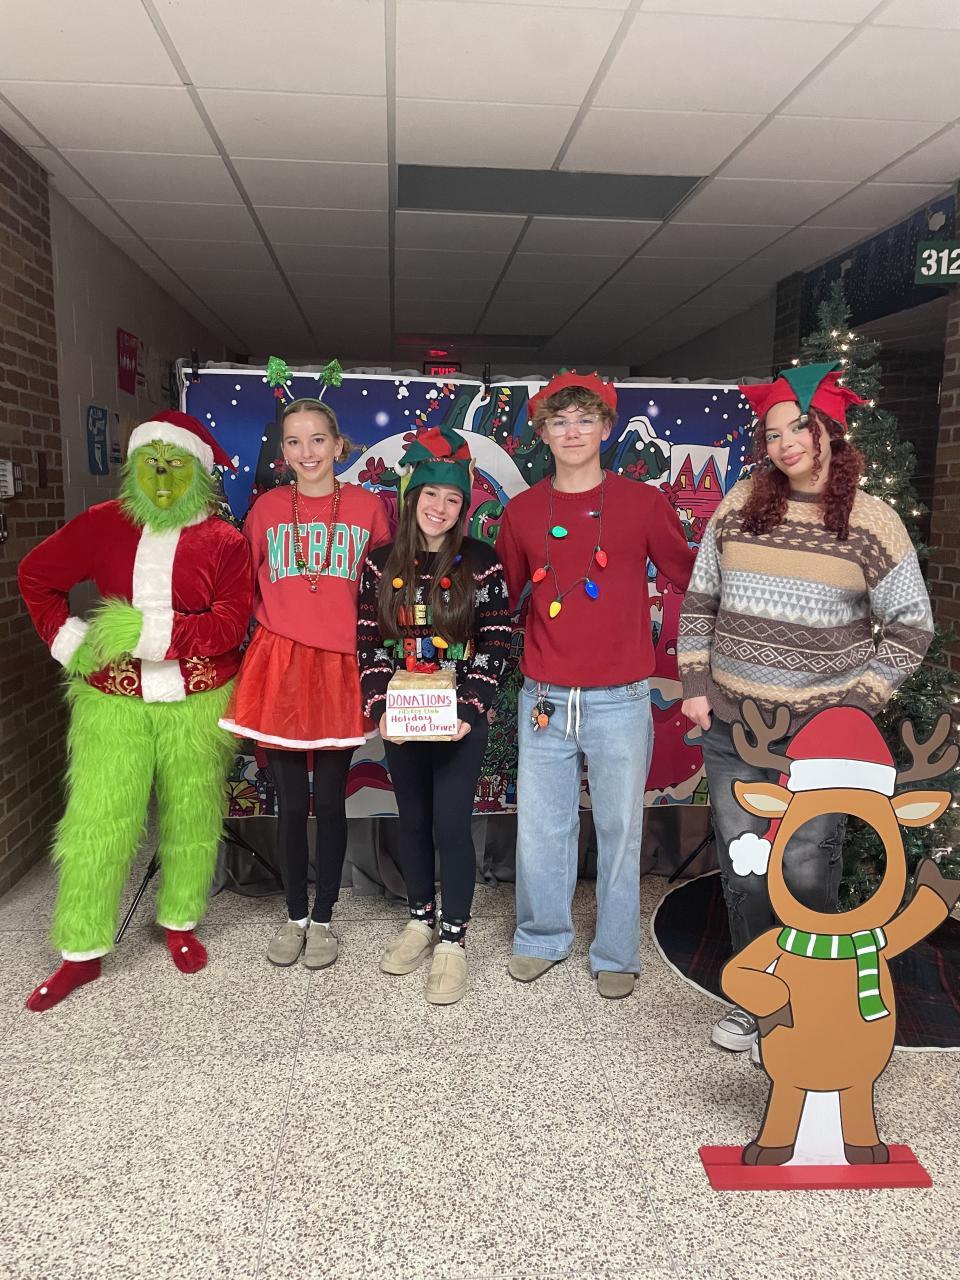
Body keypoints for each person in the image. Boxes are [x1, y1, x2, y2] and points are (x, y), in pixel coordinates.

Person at [678, 361, 934, 1053]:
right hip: (734, 726)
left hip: (820, 740)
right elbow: (701, 599)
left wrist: (854, 709)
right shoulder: (740, 503)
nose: (785, 443)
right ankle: (756, 999)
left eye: (799, 427)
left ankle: (808, 1001)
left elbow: (911, 625)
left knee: (804, 870)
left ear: (831, 432)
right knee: (744, 868)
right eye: (773, 433)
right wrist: (695, 684)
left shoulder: (872, 522)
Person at [18, 410, 252, 1011]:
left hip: (195, 703)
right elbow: (35, 575)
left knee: (191, 816)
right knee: (99, 820)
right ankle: (81, 950)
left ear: (200, 473)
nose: (163, 479)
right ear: (132, 468)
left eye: (176, 466)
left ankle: (179, 921)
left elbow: (229, 627)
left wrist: (139, 631)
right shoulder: (102, 525)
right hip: (112, 704)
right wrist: (69, 640)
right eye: (152, 465)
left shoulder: (226, 543)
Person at [495, 372, 696, 998]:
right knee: (542, 827)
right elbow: (500, 596)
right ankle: (541, 936)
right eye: (559, 422)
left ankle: (615, 951)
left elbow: (691, 575)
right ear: (543, 433)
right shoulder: (522, 512)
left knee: (619, 829)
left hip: (621, 700)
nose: (572, 432)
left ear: (606, 428)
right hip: (545, 698)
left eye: (585, 420)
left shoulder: (642, 504)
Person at [220, 397, 390, 969]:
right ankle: (294, 916)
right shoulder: (267, 509)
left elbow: (384, 591)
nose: (307, 451)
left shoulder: (368, 508)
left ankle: (324, 918)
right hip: (282, 664)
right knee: (291, 804)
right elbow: (241, 588)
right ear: (283, 450)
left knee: (332, 802)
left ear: (338, 445)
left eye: (318, 439)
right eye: (294, 441)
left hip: (341, 664)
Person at [357, 424, 510, 1005]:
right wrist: (380, 705)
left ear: (462, 506)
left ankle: (453, 939)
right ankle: (420, 919)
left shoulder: (481, 562)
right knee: (413, 820)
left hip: (459, 720)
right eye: (430, 495)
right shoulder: (379, 564)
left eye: (451, 498)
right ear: (411, 498)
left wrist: (471, 706)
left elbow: (496, 638)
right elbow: (367, 640)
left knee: (450, 823)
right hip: (403, 718)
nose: (440, 508)